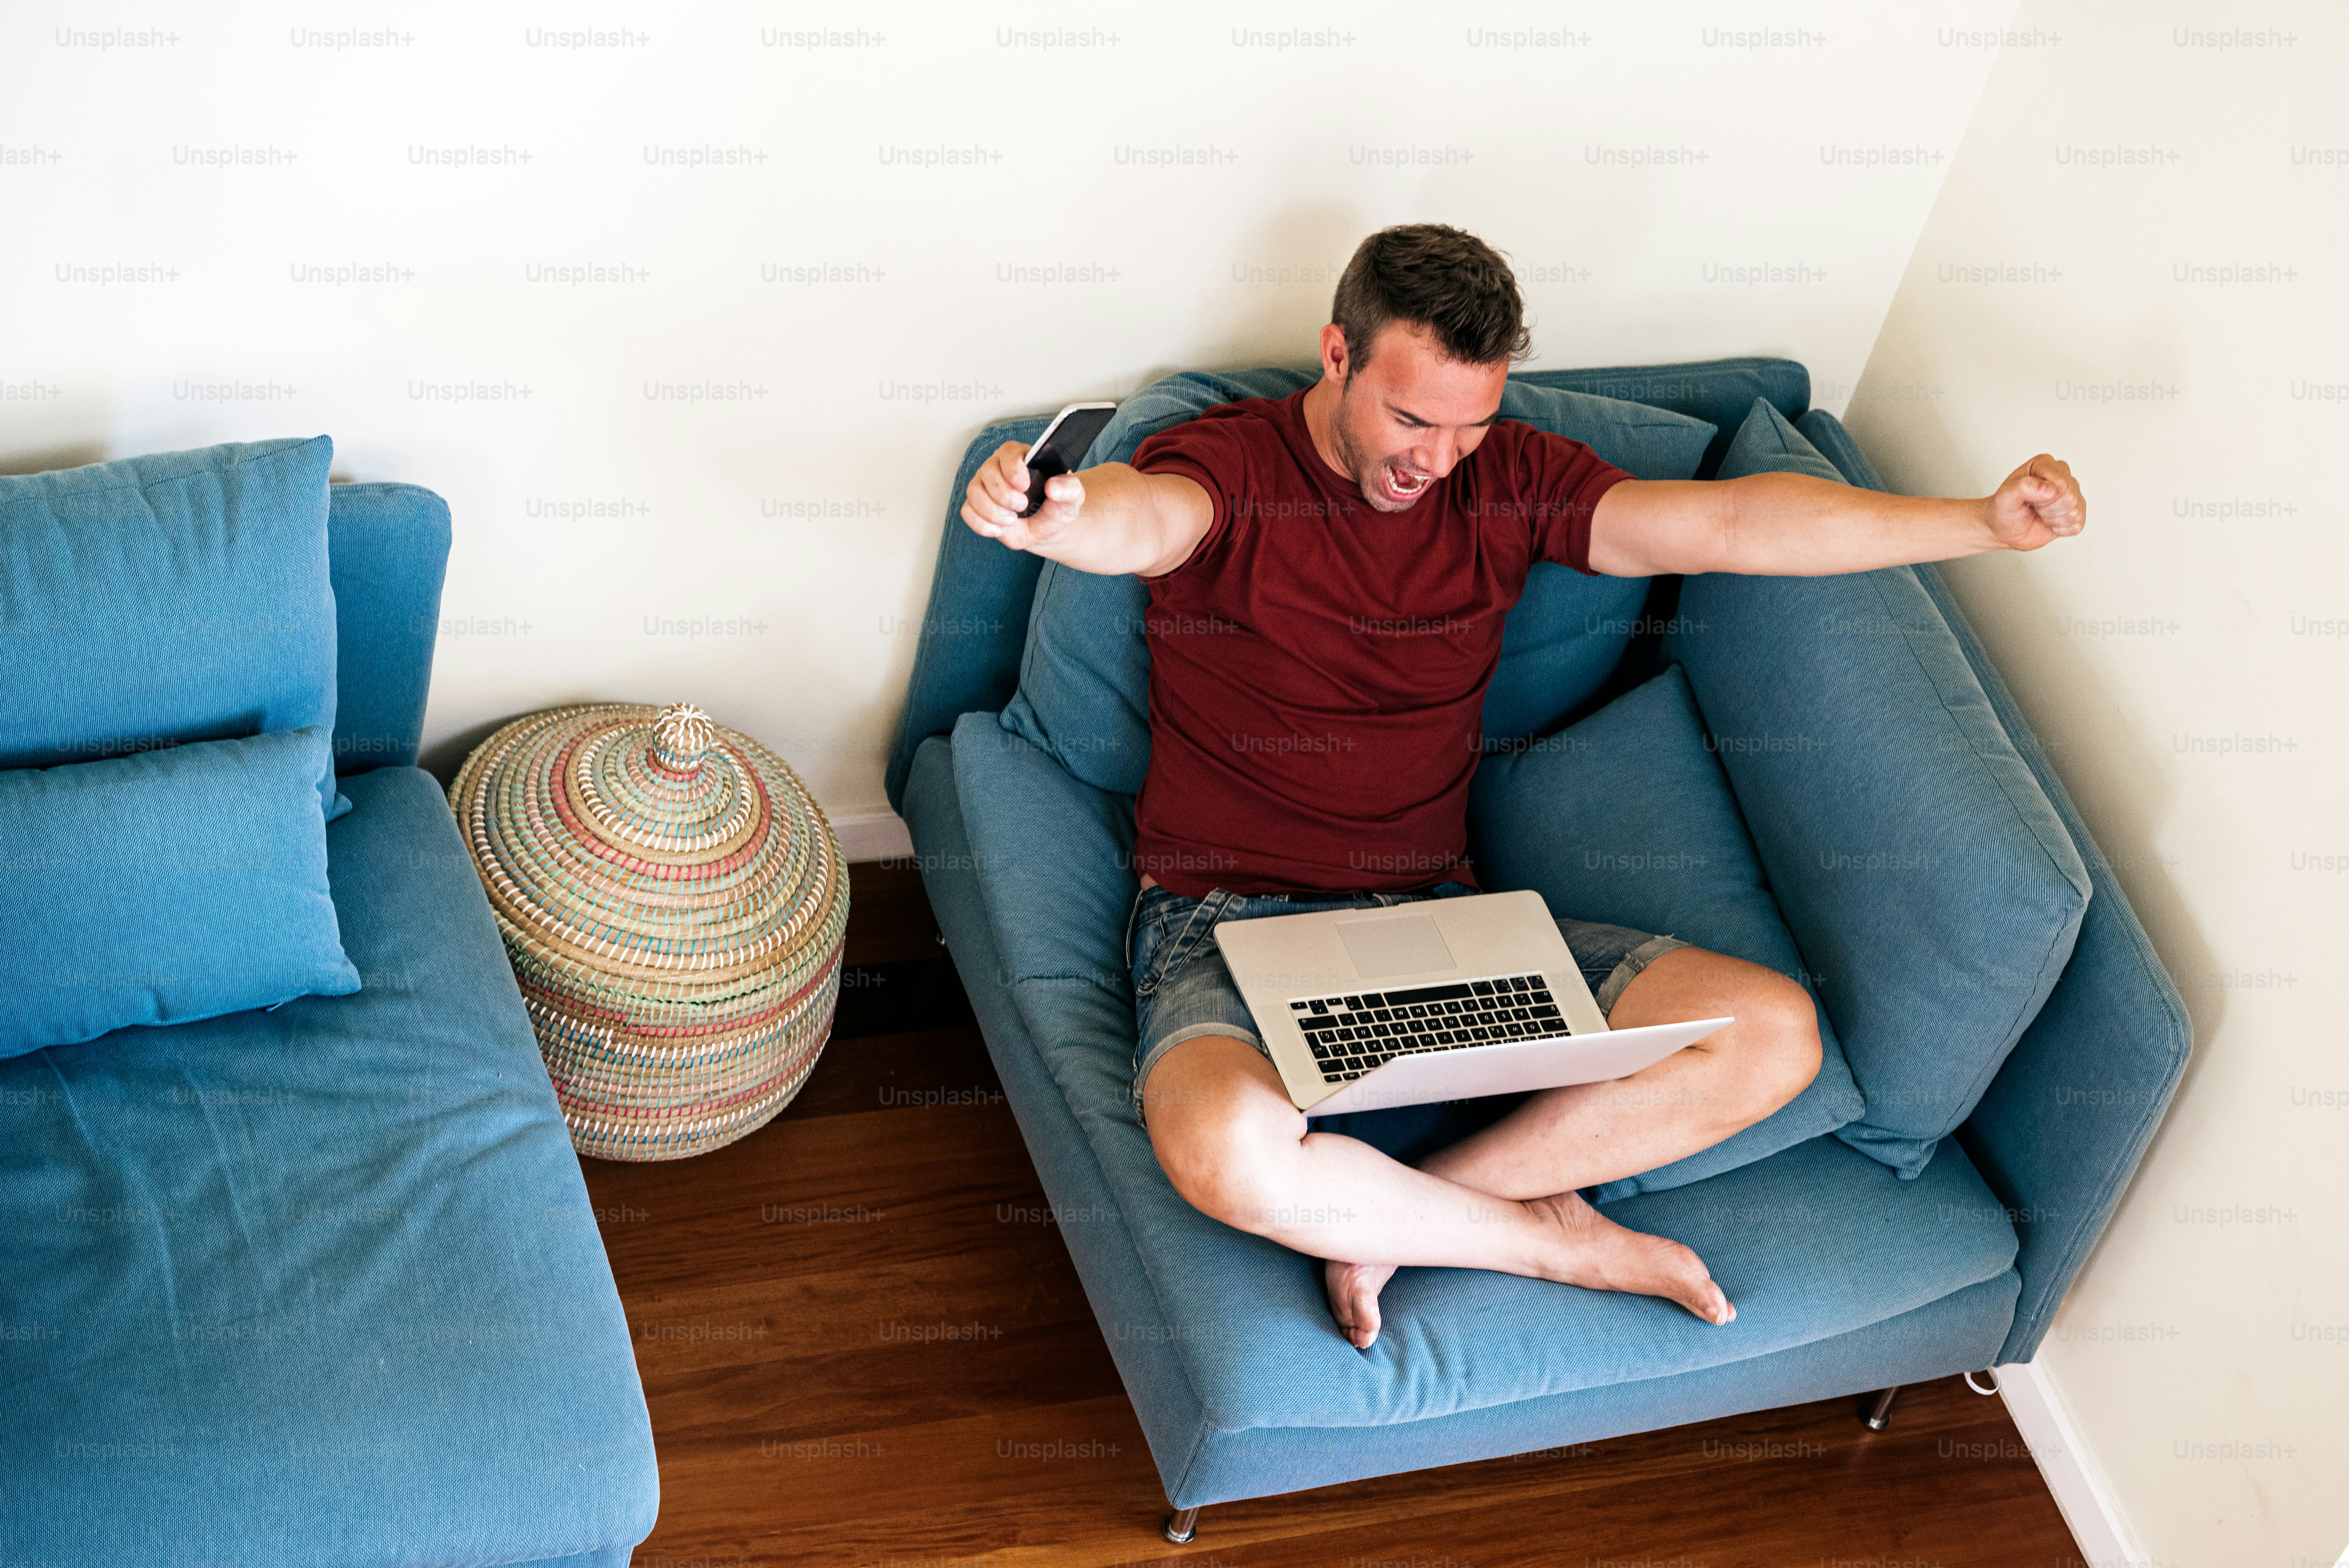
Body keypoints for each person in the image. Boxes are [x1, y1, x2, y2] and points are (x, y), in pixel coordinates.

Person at [959, 223, 2086, 1349]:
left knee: (1772, 1035)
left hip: (1433, 931)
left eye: (1470, 424)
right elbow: (1137, 515)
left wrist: (1979, 524)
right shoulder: (1231, 466)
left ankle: (1409, 1219)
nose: (1436, 460)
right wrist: (1056, 517)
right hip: (1223, 924)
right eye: (1408, 419)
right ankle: (1550, 1243)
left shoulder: (1509, 481)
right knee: (1220, 1149)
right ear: (1336, 356)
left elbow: (1735, 523)